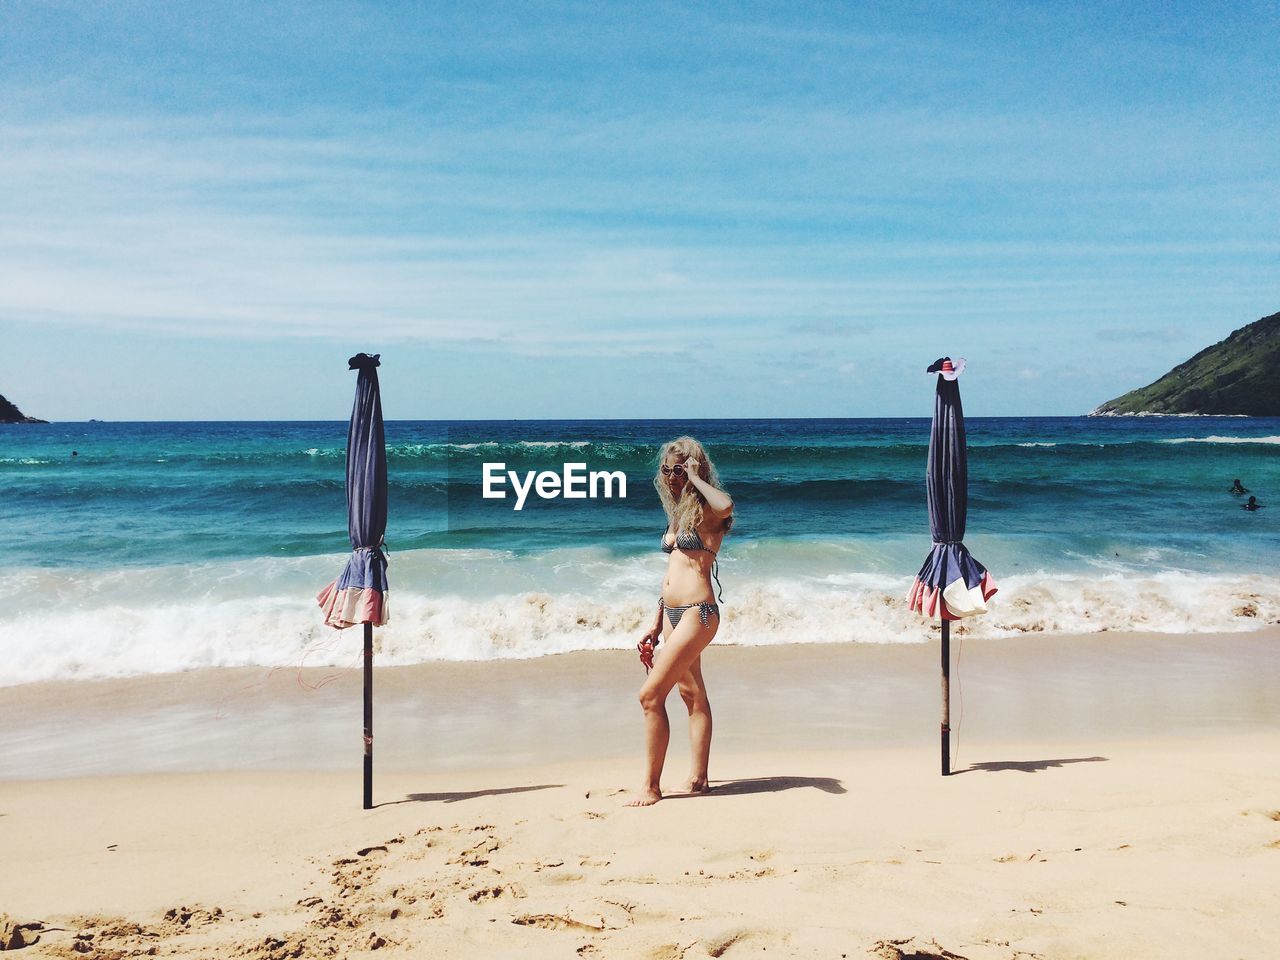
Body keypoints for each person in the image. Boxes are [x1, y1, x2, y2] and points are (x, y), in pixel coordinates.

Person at [626, 437, 733, 807]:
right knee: (691, 694)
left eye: (679, 469)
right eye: (667, 469)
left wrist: (696, 479)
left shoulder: (708, 508)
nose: (671, 476)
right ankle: (699, 777)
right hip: (672, 616)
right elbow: (671, 572)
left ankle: (652, 787)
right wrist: (656, 622)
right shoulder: (678, 514)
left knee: (650, 695)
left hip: (698, 613)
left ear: (694, 469)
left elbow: (727, 502)